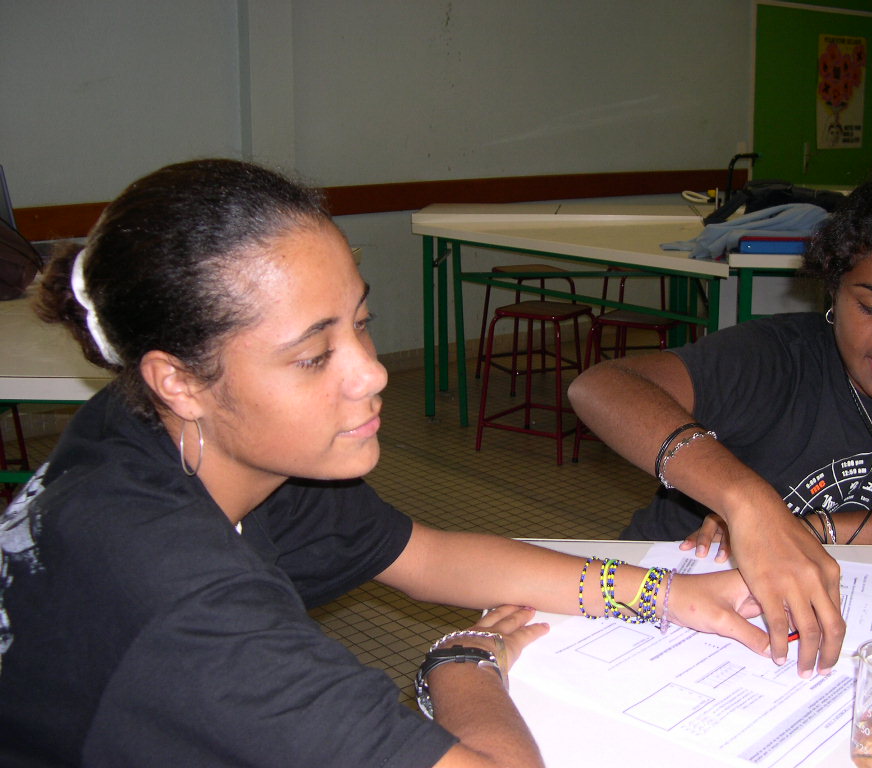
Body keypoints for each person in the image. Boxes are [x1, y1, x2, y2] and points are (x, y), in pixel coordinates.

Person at [0, 159, 784, 767]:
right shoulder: (191, 606)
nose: (372, 373)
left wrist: (671, 595)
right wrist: (464, 665)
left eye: (361, 322)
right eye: (314, 357)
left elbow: (429, 558)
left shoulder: (164, 429)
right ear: (178, 378)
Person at [569, 170, 872, 672]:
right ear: (833, 289)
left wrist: (814, 528)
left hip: (843, 596)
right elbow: (601, 386)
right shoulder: (777, 356)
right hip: (673, 580)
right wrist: (748, 504)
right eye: (870, 305)